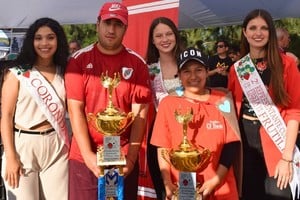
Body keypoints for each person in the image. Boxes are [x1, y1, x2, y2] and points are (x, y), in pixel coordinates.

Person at [64, 2, 152, 200]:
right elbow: (75, 110)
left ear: (125, 28)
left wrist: (131, 157)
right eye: (107, 23)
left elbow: (140, 114)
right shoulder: (78, 60)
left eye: (118, 24)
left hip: (122, 157)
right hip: (84, 159)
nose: (111, 30)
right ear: (97, 24)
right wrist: (88, 156)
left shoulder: (137, 63)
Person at [151, 47, 241, 200]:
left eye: (198, 70)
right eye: (186, 71)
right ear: (179, 75)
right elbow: (162, 147)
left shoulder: (223, 99)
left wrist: (215, 180)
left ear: (207, 71)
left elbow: (231, 146)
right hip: (181, 189)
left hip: (220, 188)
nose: (193, 76)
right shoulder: (168, 103)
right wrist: (167, 182)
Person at [228, 9, 300, 200]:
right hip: (245, 142)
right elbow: (230, 107)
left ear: (270, 32)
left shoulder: (286, 64)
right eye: (252, 28)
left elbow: (295, 113)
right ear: (244, 32)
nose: (258, 33)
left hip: (277, 141)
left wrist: (287, 157)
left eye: (263, 28)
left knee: (278, 194)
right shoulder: (237, 68)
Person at [0, 17, 70, 200]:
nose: (44, 43)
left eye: (50, 37)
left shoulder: (66, 72)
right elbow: (6, 116)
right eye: (38, 38)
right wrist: (11, 156)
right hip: (23, 146)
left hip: (57, 145)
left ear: (58, 40)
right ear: (31, 41)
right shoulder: (17, 73)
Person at [144, 16, 183, 200]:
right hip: (160, 136)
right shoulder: (148, 69)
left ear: (176, 35)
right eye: (159, 36)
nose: (165, 39)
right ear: (152, 40)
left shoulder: (188, 63)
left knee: (188, 185)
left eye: (169, 34)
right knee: (163, 187)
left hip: (189, 133)